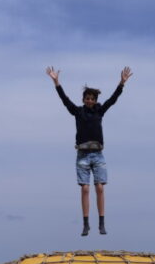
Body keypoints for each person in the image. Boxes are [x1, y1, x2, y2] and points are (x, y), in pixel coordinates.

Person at [46, 65, 132, 236]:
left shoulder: (100, 111)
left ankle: (101, 222)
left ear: (95, 100)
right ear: (84, 99)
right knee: (85, 189)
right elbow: (65, 100)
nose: (90, 101)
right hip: (83, 155)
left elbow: (112, 100)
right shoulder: (78, 112)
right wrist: (56, 83)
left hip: (98, 154)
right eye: (87, 98)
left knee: (100, 188)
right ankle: (86, 224)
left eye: (92, 98)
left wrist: (121, 83)